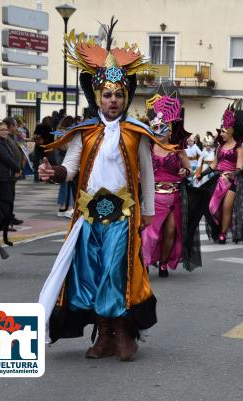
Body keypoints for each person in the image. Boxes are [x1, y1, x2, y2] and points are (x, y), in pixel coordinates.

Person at [37, 19, 169, 361]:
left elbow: (146, 174)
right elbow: (74, 166)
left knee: (116, 272)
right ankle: (104, 335)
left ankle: (125, 333)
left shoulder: (136, 132)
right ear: (98, 96)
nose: (113, 100)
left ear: (126, 97)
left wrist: (149, 211)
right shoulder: (85, 131)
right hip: (89, 214)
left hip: (123, 215)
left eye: (119, 95)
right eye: (107, 94)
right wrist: (56, 173)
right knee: (91, 274)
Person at [141, 91, 206, 278]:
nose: (158, 131)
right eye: (156, 127)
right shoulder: (147, 147)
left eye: (162, 127)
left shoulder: (178, 150)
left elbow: (190, 171)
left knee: (170, 232)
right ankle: (145, 262)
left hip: (174, 196)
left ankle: (163, 262)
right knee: (150, 233)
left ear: (169, 129)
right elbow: (139, 169)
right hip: (153, 196)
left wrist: (185, 171)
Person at [201, 103, 243, 244]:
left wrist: (232, 174)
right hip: (219, 180)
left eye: (223, 131)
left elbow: (240, 167)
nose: (221, 133)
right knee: (212, 208)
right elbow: (214, 164)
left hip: (233, 182)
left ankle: (223, 233)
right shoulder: (220, 146)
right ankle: (219, 228)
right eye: (222, 131)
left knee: (226, 208)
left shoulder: (238, 147)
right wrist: (201, 174)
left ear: (231, 130)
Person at [0, 121, 21, 233]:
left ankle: (5, 223)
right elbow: (6, 158)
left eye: (6, 129)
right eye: (2, 130)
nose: (5, 131)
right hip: (4, 176)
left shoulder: (2, 141)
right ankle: (3, 224)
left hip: (7, 175)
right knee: (6, 201)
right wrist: (17, 168)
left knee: (8, 200)